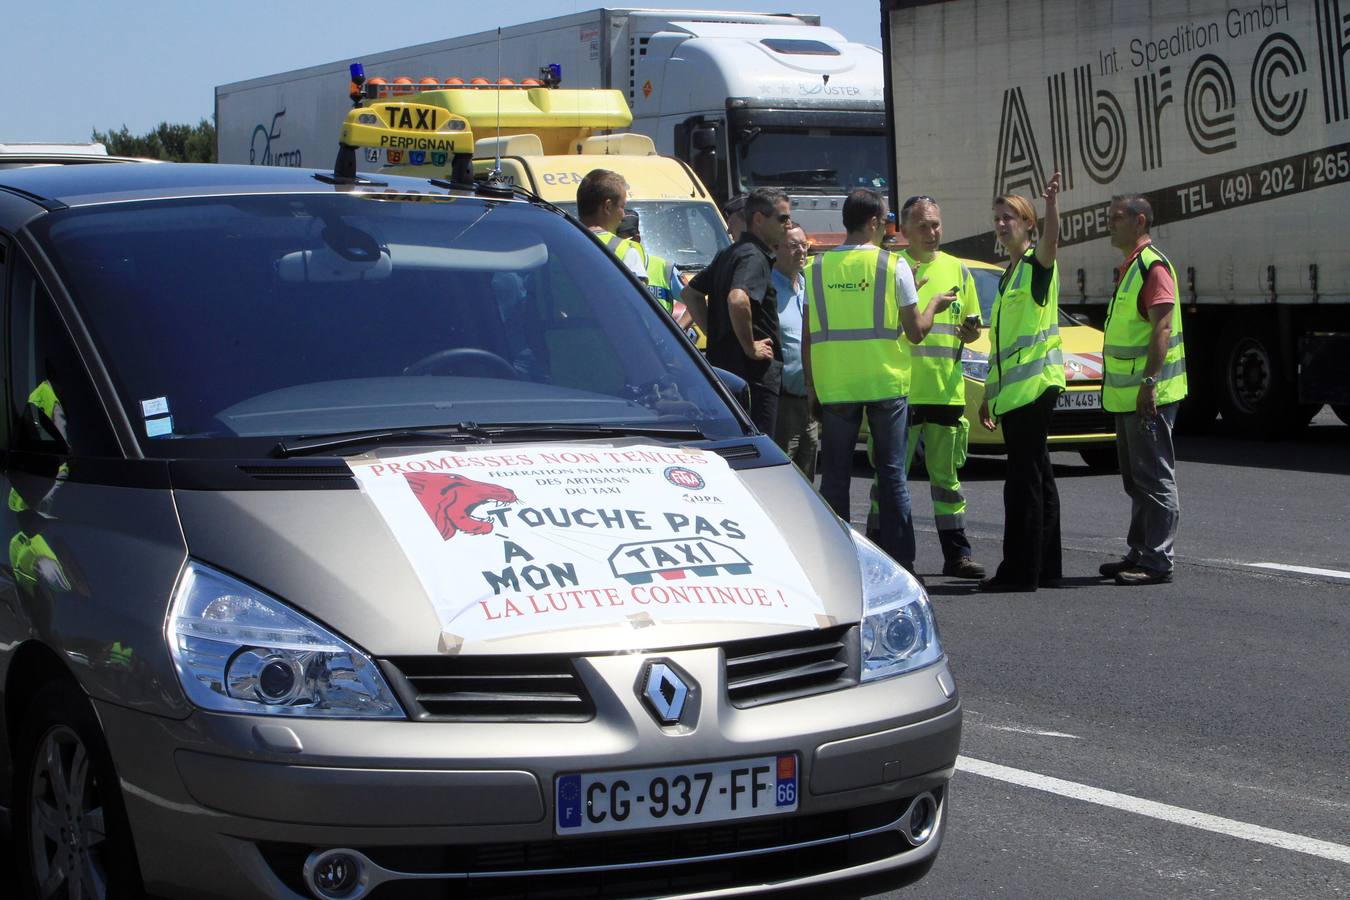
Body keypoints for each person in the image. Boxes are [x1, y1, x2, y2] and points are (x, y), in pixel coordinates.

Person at [804, 188, 955, 575]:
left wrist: (812, 388)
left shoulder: (815, 268)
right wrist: (934, 304)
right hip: (885, 383)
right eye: (886, 221)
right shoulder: (893, 266)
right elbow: (917, 331)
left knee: (835, 475)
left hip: (836, 383)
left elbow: (808, 336)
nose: (888, 228)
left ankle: (836, 561)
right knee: (891, 474)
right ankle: (900, 563)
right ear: (872, 223)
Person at [977, 173, 1066, 593]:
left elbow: (1052, 244)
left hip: (1033, 390)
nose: (1001, 225)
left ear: (1029, 224)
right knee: (1040, 478)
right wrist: (989, 396)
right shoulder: (1007, 273)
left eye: (1009, 217)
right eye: (997, 218)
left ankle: (1019, 571)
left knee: (1022, 483)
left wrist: (1050, 205)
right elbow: (1000, 346)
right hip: (1014, 393)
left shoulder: (1034, 266)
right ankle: (1045, 567)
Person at [1099, 193, 1187, 586]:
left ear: (1139, 221)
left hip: (1149, 394)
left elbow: (1162, 329)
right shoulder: (1131, 267)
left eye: (1116, 218)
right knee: (1136, 479)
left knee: (1154, 477)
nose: (1109, 224)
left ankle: (1157, 560)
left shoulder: (1153, 266)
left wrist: (1149, 384)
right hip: (1128, 395)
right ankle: (1140, 550)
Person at [897, 196, 986, 580]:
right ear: (904, 230)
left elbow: (972, 324)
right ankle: (888, 552)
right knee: (891, 477)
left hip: (946, 389)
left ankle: (957, 555)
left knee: (947, 480)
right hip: (903, 389)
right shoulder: (895, 267)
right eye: (923, 226)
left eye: (935, 224)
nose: (932, 233)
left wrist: (971, 331)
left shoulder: (958, 270)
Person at [681, 188, 792, 435]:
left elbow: (691, 294)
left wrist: (716, 332)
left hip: (726, 375)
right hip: (753, 379)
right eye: (782, 218)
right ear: (759, 219)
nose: (789, 224)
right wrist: (750, 346)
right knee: (758, 453)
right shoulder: (754, 256)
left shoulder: (731, 253)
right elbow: (737, 299)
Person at [771, 224, 818, 478]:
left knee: (808, 479)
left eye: (804, 244)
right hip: (783, 402)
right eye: (793, 245)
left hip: (810, 401)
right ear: (775, 248)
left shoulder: (809, 285)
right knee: (782, 478)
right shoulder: (767, 288)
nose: (801, 251)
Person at [576, 169, 647, 283]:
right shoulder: (624, 251)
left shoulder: (555, 246)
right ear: (607, 207)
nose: (624, 215)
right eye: (622, 206)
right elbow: (637, 300)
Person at [616, 210, 682, 315]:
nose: (614, 245)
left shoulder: (664, 267)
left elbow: (694, 298)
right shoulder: (609, 267)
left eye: (617, 241)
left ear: (636, 239)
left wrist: (680, 326)